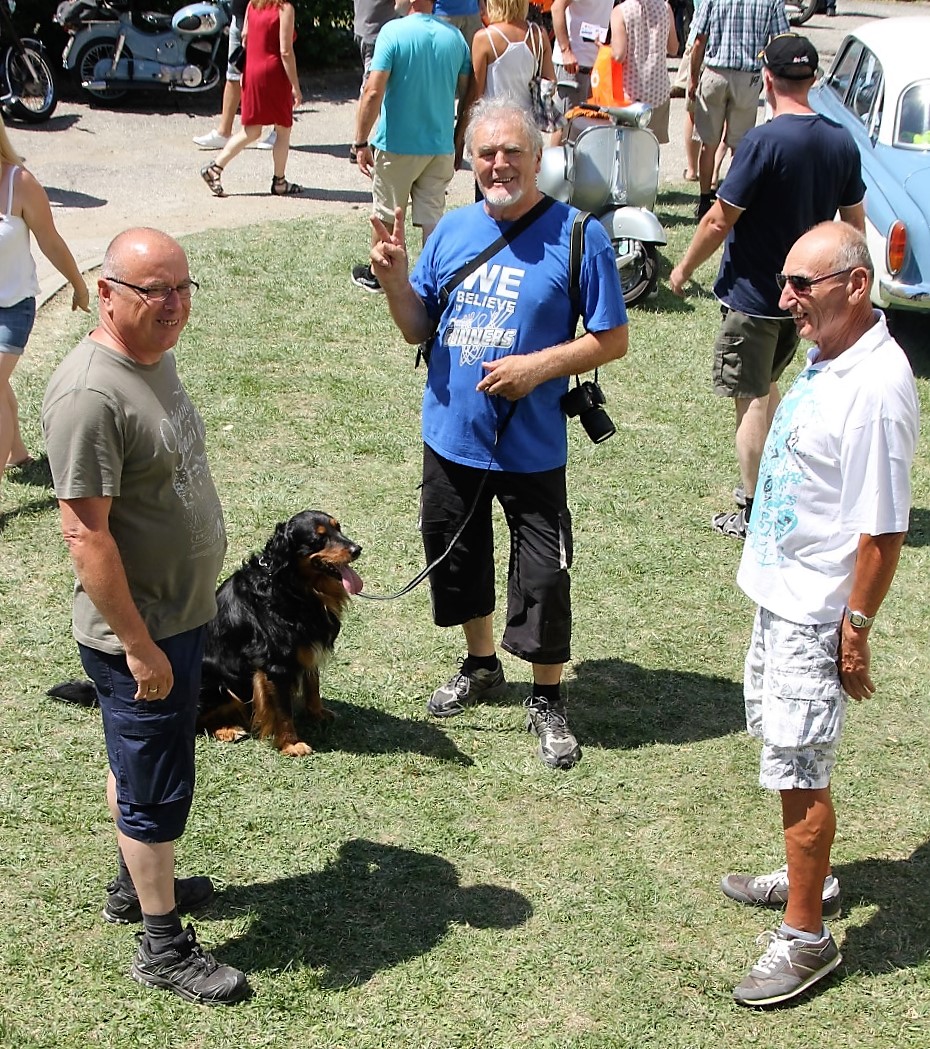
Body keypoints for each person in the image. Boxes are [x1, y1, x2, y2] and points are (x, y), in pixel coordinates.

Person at [367, 98, 628, 768]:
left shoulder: (578, 235)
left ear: (539, 159)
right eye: (486, 153)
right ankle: (482, 665)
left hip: (532, 443)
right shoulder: (451, 231)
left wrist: (536, 367)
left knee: (543, 574)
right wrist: (396, 281)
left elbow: (611, 337)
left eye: (513, 152)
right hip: (451, 432)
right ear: (470, 161)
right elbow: (418, 327)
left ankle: (547, 697)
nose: (499, 164)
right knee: (458, 560)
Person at [41, 228, 248, 1007]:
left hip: (179, 615)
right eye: (152, 291)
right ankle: (162, 947)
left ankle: (134, 884)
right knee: (157, 790)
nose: (172, 305)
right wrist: (139, 646)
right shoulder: (90, 394)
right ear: (107, 293)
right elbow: (84, 535)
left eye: (182, 287)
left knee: (137, 770)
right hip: (145, 632)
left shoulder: (150, 359)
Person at [721, 221, 919, 1007]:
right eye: (787, 282)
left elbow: (884, 528)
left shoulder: (877, 387)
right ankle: (815, 881)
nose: (786, 298)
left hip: (816, 613)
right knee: (783, 755)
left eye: (803, 284)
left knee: (802, 771)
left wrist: (857, 628)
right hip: (782, 594)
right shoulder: (832, 352)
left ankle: (808, 938)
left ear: (856, 285)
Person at [669, 35, 865, 541]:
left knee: (751, 396)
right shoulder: (840, 141)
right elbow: (854, 225)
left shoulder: (763, 141)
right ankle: (783, 480)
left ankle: (755, 509)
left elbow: (719, 219)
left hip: (755, 299)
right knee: (769, 386)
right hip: (806, 301)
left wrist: (682, 269)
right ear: (814, 79)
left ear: (768, 79)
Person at [350, 0, 472, 292]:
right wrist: (457, 137)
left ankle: (380, 275)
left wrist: (360, 141)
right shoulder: (454, 37)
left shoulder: (392, 32)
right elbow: (469, 95)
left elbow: (373, 92)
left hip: (397, 145)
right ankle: (432, 281)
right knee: (432, 218)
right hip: (440, 145)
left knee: (387, 215)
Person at [0, 116, 88, 493]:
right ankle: (18, 452)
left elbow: (50, 240)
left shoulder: (18, 183)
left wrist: (78, 284)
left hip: (13, 308)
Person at [687, 0, 788, 217]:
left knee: (709, 143)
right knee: (740, 147)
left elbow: (699, 39)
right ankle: (733, 201)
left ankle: (704, 199)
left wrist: (693, 77)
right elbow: (781, 40)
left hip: (715, 73)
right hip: (748, 77)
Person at [200, 0, 303, 198]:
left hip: (251, 71)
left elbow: (245, 37)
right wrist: (295, 86)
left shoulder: (252, 5)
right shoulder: (284, 8)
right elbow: (285, 51)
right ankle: (279, 181)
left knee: (251, 130)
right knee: (283, 128)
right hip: (273, 73)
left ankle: (216, 167)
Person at [192, 0, 277, 153]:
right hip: (240, 15)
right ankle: (224, 132)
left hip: (263, 16)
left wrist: (250, 19)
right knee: (233, 73)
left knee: (270, 74)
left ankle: (279, 131)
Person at [609, 0, 678, 145]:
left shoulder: (620, 12)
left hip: (631, 96)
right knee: (651, 149)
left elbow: (619, 55)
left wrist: (603, 47)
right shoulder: (665, 8)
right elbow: (673, 48)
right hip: (659, 92)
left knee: (627, 150)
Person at [350, 0, 398, 163]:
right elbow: (403, 4)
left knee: (371, 87)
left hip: (364, 28)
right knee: (371, 88)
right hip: (377, 33)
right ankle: (359, 143)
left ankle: (361, 141)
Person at [551, 0, 613, 113]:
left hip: (597, 68)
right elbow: (556, 8)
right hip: (572, 67)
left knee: (589, 125)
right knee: (565, 126)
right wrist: (565, 51)